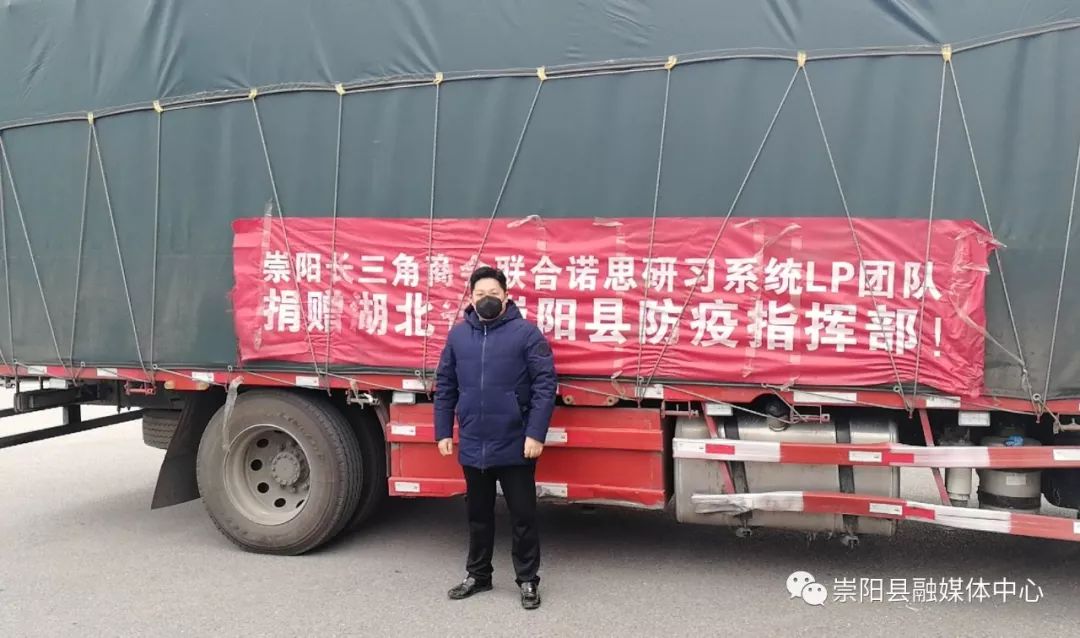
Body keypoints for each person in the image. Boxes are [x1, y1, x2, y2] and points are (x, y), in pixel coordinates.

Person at [434, 266, 557, 610]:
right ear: (470, 297)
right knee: (478, 515)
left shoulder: (526, 334)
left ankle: (528, 579)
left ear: (506, 296)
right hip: (474, 441)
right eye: (480, 294)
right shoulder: (458, 337)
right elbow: (445, 385)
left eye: (493, 293)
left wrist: (535, 433)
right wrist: (443, 430)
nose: (486, 299)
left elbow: (545, 385)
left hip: (516, 442)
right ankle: (478, 575)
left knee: (523, 516)